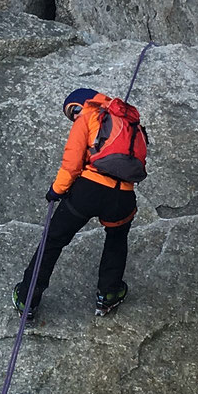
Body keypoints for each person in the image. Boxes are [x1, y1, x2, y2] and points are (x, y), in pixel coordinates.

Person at [14, 87, 136, 320]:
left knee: (53, 240)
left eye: (73, 110)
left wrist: (55, 191)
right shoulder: (127, 121)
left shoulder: (89, 116)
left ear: (84, 102)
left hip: (89, 189)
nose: (74, 117)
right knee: (116, 239)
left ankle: (27, 298)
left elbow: (72, 163)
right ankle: (109, 293)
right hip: (123, 195)